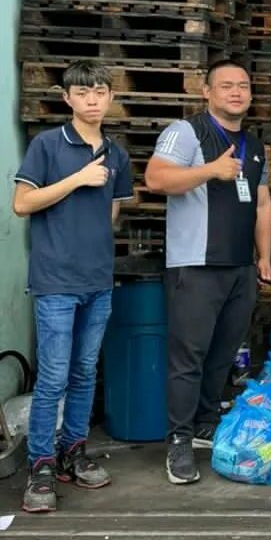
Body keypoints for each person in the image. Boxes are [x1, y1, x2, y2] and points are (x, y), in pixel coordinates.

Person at [145, 60, 271, 484]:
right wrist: (210, 171)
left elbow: (262, 203)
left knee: (223, 354)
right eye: (226, 86)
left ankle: (203, 423)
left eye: (243, 86)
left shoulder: (254, 144)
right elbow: (157, 179)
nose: (236, 92)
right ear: (207, 92)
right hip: (196, 264)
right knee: (189, 357)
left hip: (239, 265)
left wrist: (264, 256)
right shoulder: (186, 132)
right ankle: (178, 442)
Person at [13, 59, 133, 513]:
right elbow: (23, 203)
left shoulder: (117, 154)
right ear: (67, 99)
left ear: (110, 98)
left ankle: (72, 451)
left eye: (100, 92)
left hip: (97, 280)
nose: (92, 100)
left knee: (85, 372)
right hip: (56, 281)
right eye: (83, 93)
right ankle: (41, 464)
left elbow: (112, 213)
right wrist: (78, 179)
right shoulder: (48, 145)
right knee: (54, 376)